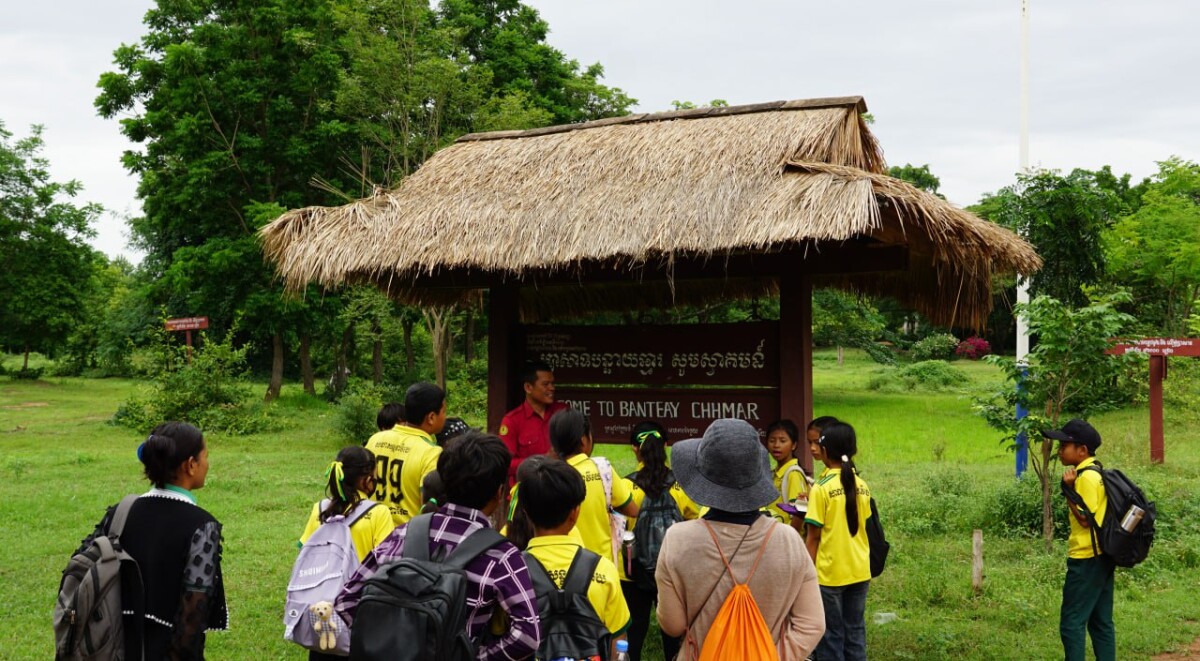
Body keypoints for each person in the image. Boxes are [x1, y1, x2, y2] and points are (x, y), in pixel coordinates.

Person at [336, 430, 541, 660]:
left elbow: (346, 601)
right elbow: (527, 636)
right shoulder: (501, 555)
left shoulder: (404, 532)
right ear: (499, 492)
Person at [656, 418, 825, 660]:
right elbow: (812, 625)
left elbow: (673, 625)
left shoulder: (678, 539)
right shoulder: (788, 540)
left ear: (700, 475)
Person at [73, 422, 228, 659]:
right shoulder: (202, 526)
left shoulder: (120, 512)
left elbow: (80, 567)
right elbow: (192, 619)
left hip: (108, 647)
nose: (208, 463)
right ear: (191, 465)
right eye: (206, 456)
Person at [522, 457, 631, 656]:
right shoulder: (603, 569)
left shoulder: (512, 571)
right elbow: (618, 640)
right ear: (575, 513)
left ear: (526, 512)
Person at [621, 422, 700, 661]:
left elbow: (619, 528)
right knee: (673, 634)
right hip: (673, 570)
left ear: (635, 449)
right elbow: (694, 520)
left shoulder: (627, 486)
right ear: (666, 445)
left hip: (633, 572)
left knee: (633, 634)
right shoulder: (680, 484)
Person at [1045, 419, 1115, 661]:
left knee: (1072, 623)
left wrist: (1068, 490)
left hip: (1086, 558)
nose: (1059, 450)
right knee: (1101, 622)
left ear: (1082, 450)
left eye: (1065, 445)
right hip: (1103, 556)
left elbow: (1086, 519)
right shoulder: (1098, 471)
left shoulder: (1085, 477)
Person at [805, 421, 872, 661]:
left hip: (830, 574)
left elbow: (813, 537)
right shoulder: (862, 485)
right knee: (855, 631)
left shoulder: (821, 489)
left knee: (831, 635)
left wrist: (804, 575)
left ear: (824, 451)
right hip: (860, 570)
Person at [548, 408, 639, 564]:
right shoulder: (602, 468)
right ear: (584, 440)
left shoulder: (549, 476)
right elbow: (632, 509)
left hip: (564, 566)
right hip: (601, 566)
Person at [364, 382, 446, 525]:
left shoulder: (375, 440)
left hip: (372, 533)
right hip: (406, 539)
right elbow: (427, 507)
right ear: (431, 417)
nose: (445, 416)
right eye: (444, 411)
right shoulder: (431, 453)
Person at [299, 446, 395, 562]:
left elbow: (304, 550)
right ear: (367, 481)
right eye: (375, 477)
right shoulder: (379, 512)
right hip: (362, 580)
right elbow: (387, 560)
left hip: (324, 579)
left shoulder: (319, 508)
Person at [499, 360, 569, 485]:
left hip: (559, 489)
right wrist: (542, 460)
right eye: (545, 384)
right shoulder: (512, 421)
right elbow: (506, 465)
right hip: (526, 494)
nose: (552, 388)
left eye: (552, 383)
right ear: (528, 387)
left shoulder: (563, 412)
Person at [766, 419, 808, 532]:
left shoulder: (793, 474)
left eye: (782, 441)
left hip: (787, 538)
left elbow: (799, 512)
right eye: (772, 440)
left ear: (793, 445)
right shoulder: (773, 474)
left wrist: (790, 538)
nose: (776, 445)